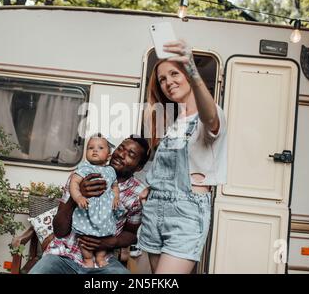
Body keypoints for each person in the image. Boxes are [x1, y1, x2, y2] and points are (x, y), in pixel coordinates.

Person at [137, 40, 227, 274]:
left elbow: (210, 119)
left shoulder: (211, 114)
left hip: (185, 212)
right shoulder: (173, 121)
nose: (168, 83)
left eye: (174, 74)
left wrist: (193, 68)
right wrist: (148, 188)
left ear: (188, 75)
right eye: (162, 79)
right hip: (155, 209)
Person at [29, 135, 150, 274]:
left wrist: (110, 242)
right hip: (63, 255)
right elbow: (59, 231)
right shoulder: (81, 176)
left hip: (102, 261)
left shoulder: (138, 193)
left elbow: (131, 234)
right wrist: (77, 196)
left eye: (131, 154)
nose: (121, 154)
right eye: (120, 148)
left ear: (139, 167)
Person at [69, 134, 120, 268]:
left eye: (100, 148)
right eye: (90, 148)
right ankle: (87, 259)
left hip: (105, 213)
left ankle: (100, 257)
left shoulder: (111, 171)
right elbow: (73, 184)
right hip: (88, 210)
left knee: (104, 235)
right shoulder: (84, 168)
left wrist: (116, 197)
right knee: (85, 236)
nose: (94, 150)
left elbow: (115, 186)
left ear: (108, 156)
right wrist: (79, 197)